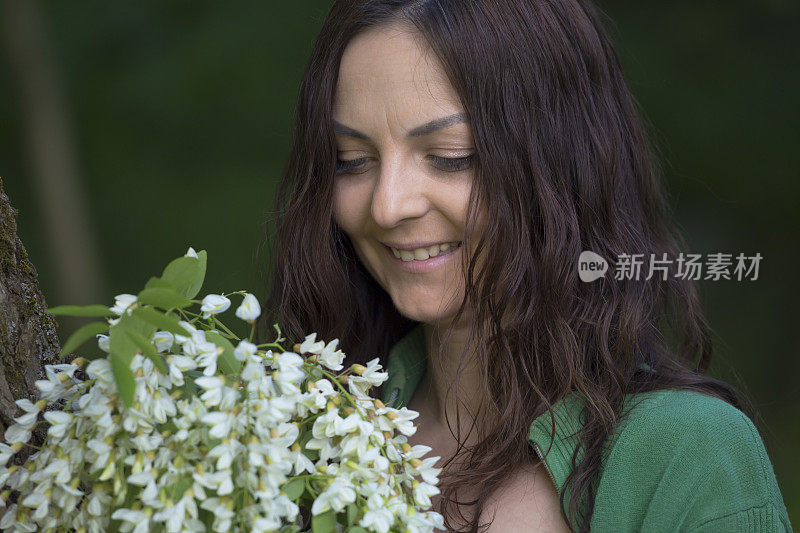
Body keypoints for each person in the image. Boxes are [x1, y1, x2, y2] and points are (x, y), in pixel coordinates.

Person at [257, 0, 793, 531]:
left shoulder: (689, 455)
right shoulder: (295, 431)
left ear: (563, 163)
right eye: (352, 160)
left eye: (450, 155)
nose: (386, 205)